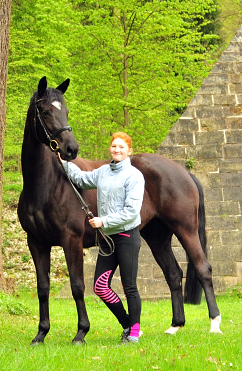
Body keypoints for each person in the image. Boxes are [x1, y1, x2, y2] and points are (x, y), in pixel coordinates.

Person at [60, 132, 145, 344]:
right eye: (114, 146)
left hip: (126, 236)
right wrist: (63, 162)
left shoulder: (134, 176)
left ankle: (134, 334)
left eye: (121, 147)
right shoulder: (104, 171)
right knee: (100, 286)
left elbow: (132, 212)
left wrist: (103, 221)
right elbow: (81, 178)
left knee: (129, 286)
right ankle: (127, 324)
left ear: (129, 151)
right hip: (108, 240)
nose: (117, 150)